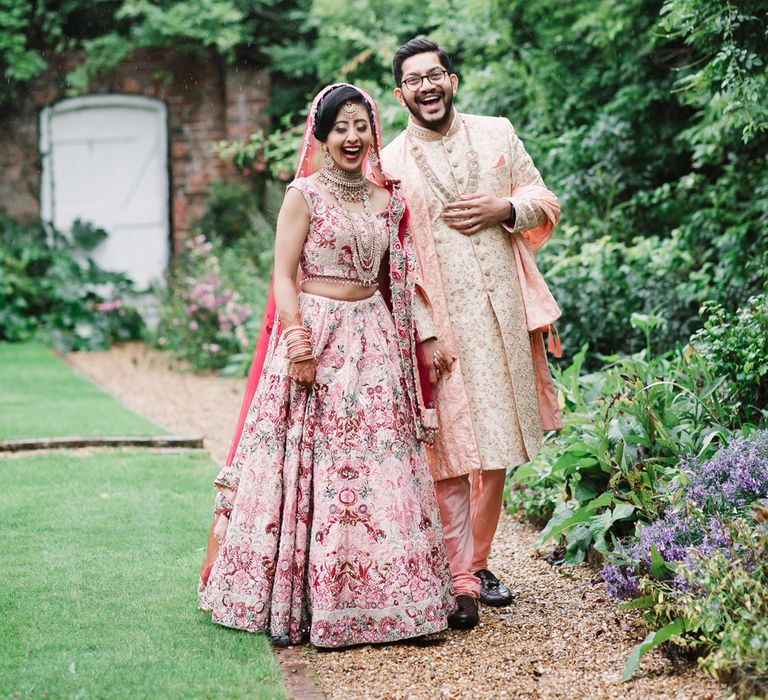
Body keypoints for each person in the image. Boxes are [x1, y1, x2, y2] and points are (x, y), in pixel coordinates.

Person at [198, 83, 455, 648]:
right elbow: (282, 275)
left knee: (375, 470)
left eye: (361, 125)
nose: (352, 137)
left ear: (372, 133)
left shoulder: (389, 202)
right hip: (316, 335)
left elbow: (399, 284)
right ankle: (308, 599)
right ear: (321, 135)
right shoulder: (304, 195)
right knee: (314, 467)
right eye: (340, 127)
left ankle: (391, 602)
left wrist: (426, 341)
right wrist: (296, 341)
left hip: (374, 343)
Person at [380, 38, 563, 629]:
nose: (427, 86)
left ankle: (476, 564)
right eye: (414, 80)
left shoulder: (496, 133)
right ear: (400, 93)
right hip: (440, 325)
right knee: (450, 448)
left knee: (498, 442)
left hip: (501, 317)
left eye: (435, 75)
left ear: (452, 80)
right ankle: (457, 574)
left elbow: (544, 198)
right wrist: (424, 331)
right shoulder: (389, 163)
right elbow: (394, 259)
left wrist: (504, 210)